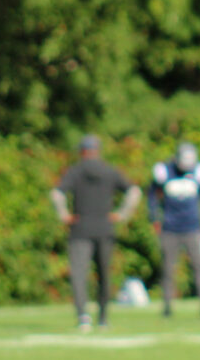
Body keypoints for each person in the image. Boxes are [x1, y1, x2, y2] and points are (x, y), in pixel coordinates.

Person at [51, 134, 141, 332]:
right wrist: (121, 214)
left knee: (79, 275)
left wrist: (65, 215)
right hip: (104, 227)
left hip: (80, 227)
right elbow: (134, 192)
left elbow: (57, 194)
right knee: (103, 274)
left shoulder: (75, 171)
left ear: (82, 151)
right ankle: (103, 318)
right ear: (98, 151)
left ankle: (83, 317)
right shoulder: (109, 171)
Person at [148, 141, 200, 318]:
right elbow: (152, 196)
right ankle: (167, 306)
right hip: (170, 228)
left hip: (192, 227)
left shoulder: (199, 172)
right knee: (168, 267)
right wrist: (154, 218)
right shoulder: (164, 171)